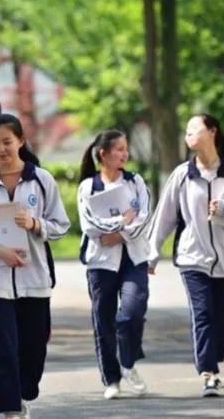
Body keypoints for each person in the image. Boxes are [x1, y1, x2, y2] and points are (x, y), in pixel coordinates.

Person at [0, 114, 70, 418]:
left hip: (34, 279)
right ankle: (11, 410)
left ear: (21, 141)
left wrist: (35, 223)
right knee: (3, 351)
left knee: (34, 350)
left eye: (7, 142)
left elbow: (62, 225)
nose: (1, 149)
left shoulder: (41, 180)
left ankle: (24, 394)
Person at [148, 113, 224, 397]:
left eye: (195, 128)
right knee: (202, 313)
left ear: (212, 131)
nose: (189, 133)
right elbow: (164, 216)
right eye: (186, 130)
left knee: (221, 317)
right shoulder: (182, 175)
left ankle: (214, 360)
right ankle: (209, 372)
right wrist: (152, 253)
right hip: (193, 256)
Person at [77, 130, 151, 399]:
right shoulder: (88, 187)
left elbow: (145, 217)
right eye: (119, 149)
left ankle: (129, 362)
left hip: (134, 258)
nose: (125, 154)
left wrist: (119, 232)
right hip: (101, 263)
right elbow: (90, 225)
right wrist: (124, 220)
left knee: (131, 312)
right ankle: (112, 380)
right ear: (103, 155)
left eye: (125, 149)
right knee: (103, 320)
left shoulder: (135, 182)